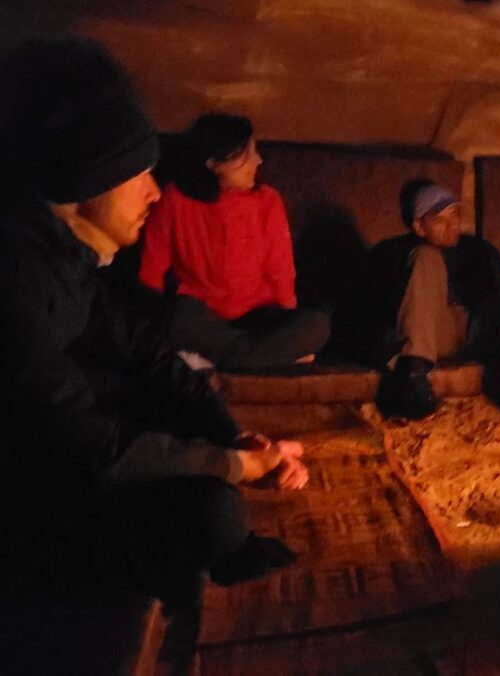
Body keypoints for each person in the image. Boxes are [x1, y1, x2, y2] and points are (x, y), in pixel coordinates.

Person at [0, 38, 308, 671]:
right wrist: (228, 465)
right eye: (137, 173)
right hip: (32, 496)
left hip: (83, 442)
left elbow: (146, 354)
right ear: (85, 178)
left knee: (208, 466)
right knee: (212, 506)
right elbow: (85, 447)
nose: (154, 191)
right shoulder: (16, 284)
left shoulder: (74, 261)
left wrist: (234, 436)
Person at [138, 113, 330, 369]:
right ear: (213, 163)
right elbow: (152, 268)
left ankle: (218, 358)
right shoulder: (175, 198)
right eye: (246, 156)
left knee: (317, 325)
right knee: (176, 316)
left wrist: (288, 320)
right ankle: (264, 359)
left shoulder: (267, 200)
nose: (257, 161)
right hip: (204, 317)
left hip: (258, 317)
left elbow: (280, 269)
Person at [369, 179, 500, 430]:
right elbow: (381, 307)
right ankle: (413, 378)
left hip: (477, 329)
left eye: (455, 216)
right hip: (433, 332)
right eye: (440, 219)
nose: (452, 225)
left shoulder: (479, 250)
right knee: (428, 257)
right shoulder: (399, 251)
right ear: (419, 226)